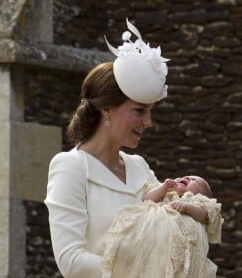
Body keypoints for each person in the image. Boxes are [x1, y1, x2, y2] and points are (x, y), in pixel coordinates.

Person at [44, 19, 170, 278]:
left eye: (150, 111)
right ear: (106, 110)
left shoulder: (139, 167)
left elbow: (168, 229)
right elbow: (71, 260)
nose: (148, 122)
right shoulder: (71, 167)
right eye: (139, 111)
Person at [100, 175, 223, 278]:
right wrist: (163, 187)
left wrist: (187, 206)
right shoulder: (166, 193)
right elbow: (146, 199)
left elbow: (202, 214)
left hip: (175, 242)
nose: (187, 177)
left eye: (195, 181)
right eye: (185, 176)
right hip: (150, 236)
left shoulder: (197, 201)